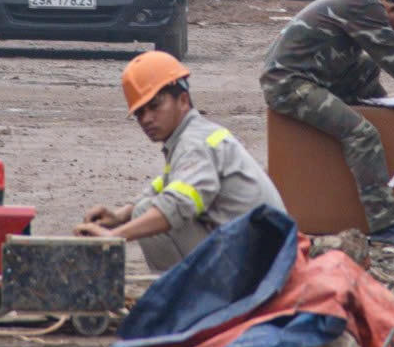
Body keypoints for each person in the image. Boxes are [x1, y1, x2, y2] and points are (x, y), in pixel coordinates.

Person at [260, 0, 394, 248]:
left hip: (311, 71)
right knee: (362, 134)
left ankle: (379, 128)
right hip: (289, 84)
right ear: (393, 8)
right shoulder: (365, 6)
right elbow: (393, 57)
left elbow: (379, 57)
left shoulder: (364, 1)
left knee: (366, 68)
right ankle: (385, 225)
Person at [76, 51, 285, 272]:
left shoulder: (194, 143)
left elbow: (177, 204)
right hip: (262, 251)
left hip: (264, 266)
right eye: (140, 113)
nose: (146, 119)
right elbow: (165, 185)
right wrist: (119, 216)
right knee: (147, 207)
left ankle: (187, 300)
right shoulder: (193, 135)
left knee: (152, 214)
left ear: (183, 100)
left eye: (155, 106)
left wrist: (115, 236)